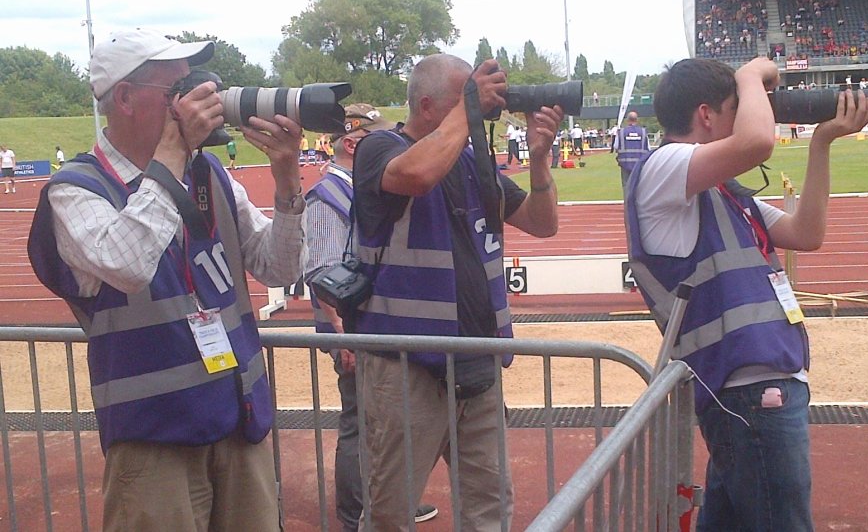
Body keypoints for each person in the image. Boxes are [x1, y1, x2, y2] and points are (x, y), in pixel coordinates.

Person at [26, 28, 308, 531]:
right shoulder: (74, 191)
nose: (195, 100)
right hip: (155, 437)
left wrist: (287, 181)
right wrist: (171, 158)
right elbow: (128, 265)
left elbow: (280, 269)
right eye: (174, 91)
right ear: (126, 99)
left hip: (238, 418)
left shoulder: (210, 175)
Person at [624, 57, 868, 532]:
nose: (750, 113)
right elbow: (758, 142)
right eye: (737, 107)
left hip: (756, 391)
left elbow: (806, 232)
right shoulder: (662, 168)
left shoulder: (724, 194)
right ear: (707, 115)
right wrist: (749, 74)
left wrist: (821, 141)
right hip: (748, 393)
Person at [351, 54, 562, 531]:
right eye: (466, 95)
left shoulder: (471, 160)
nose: (482, 106)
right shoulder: (379, 150)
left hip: (477, 357)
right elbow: (416, 176)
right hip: (406, 367)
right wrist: (468, 114)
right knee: (391, 512)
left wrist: (540, 157)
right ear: (428, 106)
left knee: (489, 507)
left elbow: (543, 223)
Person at [303, 103, 438, 531]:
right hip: (352, 332)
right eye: (375, 138)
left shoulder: (353, 189)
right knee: (360, 424)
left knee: (380, 423)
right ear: (350, 143)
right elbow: (322, 272)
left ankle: (384, 502)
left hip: (368, 328)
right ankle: (354, 513)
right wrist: (343, 336)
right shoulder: (327, 197)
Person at [615, 111, 649, 188]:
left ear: (627, 120)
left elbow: (616, 146)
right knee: (639, 186)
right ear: (637, 120)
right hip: (639, 163)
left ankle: (627, 200)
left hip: (625, 163)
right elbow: (648, 148)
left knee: (626, 186)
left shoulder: (621, 132)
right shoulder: (643, 132)